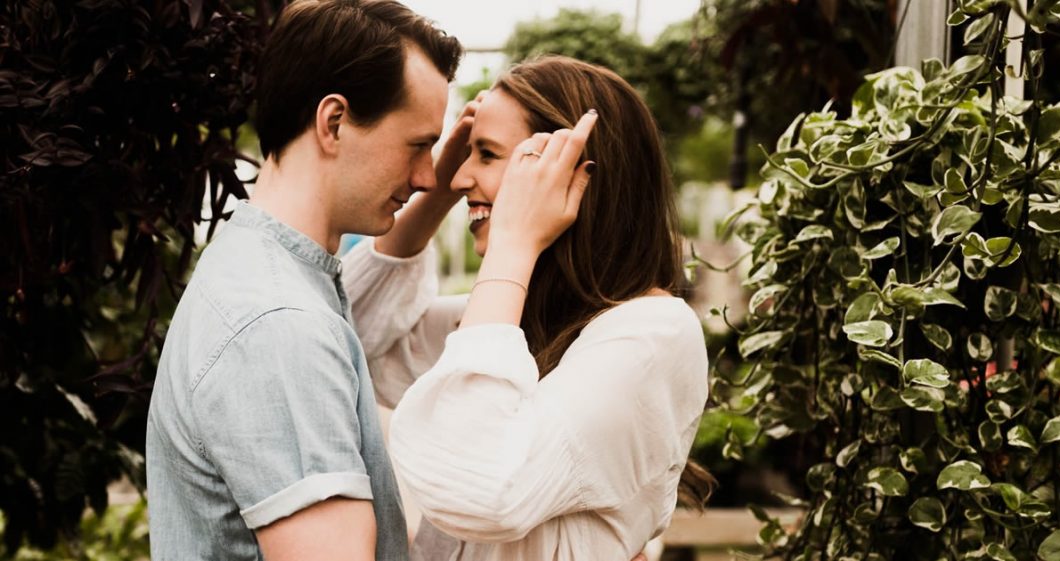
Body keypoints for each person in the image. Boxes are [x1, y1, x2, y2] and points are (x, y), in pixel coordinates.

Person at [342, 55, 714, 561]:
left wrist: (512, 246)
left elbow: (479, 488)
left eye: (487, 155)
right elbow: (349, 340)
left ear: (573, 176)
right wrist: (432, 196)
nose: (458, 179)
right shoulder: (519, 319)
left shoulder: (654, 333)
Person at [144, 1, 463, 559]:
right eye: (418, 145)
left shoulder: (261, 269)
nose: (427, 175)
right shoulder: (279, 324)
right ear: (333, 122)